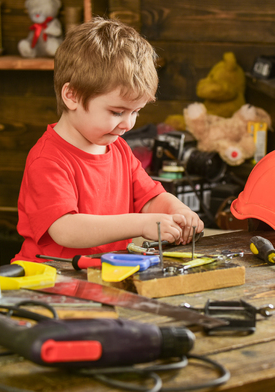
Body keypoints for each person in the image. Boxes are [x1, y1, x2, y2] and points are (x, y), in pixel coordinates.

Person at [13, 17, 204, 262]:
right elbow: (66, 230)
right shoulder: (47, 159)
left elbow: (149, 198)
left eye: (136, 112)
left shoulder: (119, 149)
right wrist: (143, 223)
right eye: (117, 112)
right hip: (48, 281)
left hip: (104, 275)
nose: (128, 124)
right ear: (72, 96)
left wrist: (176, 210)